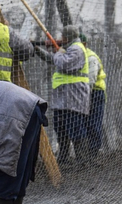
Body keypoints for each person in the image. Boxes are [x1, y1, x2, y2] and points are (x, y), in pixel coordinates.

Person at [34, 25, 90, 164]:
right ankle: (64, 158)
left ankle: (82, 160)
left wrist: (58, 51)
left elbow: (63, 63)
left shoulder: (76, 49)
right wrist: (37, 50)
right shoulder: (69, 49)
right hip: (63, 97)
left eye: (63, 36)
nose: (61, 39)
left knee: (75, 128)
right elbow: (53, 59)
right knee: (61, 128)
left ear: (68, 37)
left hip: (73, 96)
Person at [81, 34, 106, 154]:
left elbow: (91, 79)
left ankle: (94, 151)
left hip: (95, 93)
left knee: (93, 122)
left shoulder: (90, 57)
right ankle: (88, 151)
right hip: (85, 92)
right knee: (85, 123)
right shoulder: (78, 55)